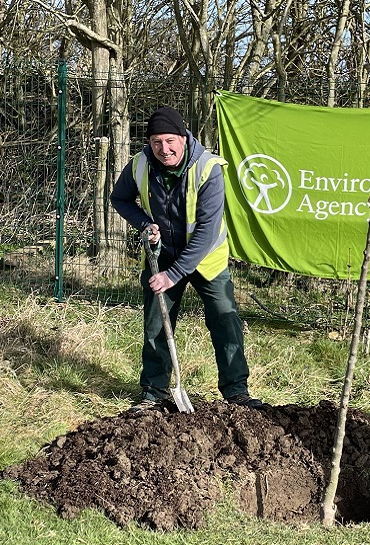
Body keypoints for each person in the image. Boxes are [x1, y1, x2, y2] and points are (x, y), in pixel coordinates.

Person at [111, 106, 261, 412]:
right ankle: (153, 393)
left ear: (183, 138)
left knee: (225, 319)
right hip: (163, 255)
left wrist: (173, 275)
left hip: (206, 260)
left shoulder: (209, 168)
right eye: (156, 142)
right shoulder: (140, 165)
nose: (164, 149)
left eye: (169, 141)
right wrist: (144, 223)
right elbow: (120, 198)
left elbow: (206, 231)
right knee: (156, 323)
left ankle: (236, 392)